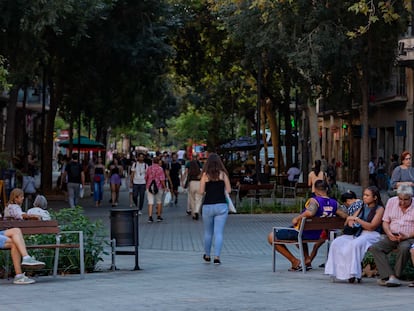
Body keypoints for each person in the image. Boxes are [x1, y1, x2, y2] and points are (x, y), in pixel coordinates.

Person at [267, 180, 348, 271]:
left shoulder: (315, 200)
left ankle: (294, 261)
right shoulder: (334, 203)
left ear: (315, 190)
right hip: (319, 235)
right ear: (326, 189)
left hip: (304, 233)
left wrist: (297, 218)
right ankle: (307, 260)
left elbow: (310, 212)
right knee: (300, 232)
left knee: (271, 236)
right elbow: (344, 215)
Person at [324, 186, 385, 283]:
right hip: (358, 233)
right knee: (337, 242)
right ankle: (337, 272)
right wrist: (350, 221)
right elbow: (350, 219)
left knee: (355, 244)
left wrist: (357, 220)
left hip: (372, 234)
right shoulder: (362, 207)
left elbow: (372, 226)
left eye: (367, 195)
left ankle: (353, 273)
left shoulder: (379, 209)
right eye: (364, 195)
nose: (364, 197)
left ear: (375, 197)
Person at [370, 184, 414, 287]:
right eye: (400, 199)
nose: (402, 202)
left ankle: (396, 276)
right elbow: (385, 221)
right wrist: (389, 233)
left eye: (406, 200)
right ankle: (390, 276)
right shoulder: (392, 201)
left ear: (411, 197)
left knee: (404, 248)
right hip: (392, 235)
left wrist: (406, 236)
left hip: (409, 237)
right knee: (375, 248)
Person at [198, 153, 231, 264]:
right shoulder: (223, 174)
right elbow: (229, 190)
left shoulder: (205, 175)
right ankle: (217, 256)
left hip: (207, 206)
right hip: (221, 205)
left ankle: (207, 255)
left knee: (208, 233)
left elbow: (201, 191)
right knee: (219, 232)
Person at [145, 156, 168, 223]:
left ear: (152, 161)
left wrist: (147, 184)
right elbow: (162, 179)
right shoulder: (160, 169)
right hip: (158, 187)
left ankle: (150, 217)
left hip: (149, 187)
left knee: (150, 202)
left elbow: (146, 177)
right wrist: (165, 187)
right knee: (159, 201)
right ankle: (158, 216)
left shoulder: (149, 168)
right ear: (158, 162)